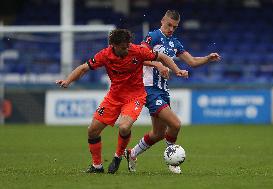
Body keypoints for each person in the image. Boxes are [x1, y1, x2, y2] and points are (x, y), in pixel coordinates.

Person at [55, 29, 188, 174]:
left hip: (135, 96)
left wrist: (176, 70)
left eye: (128, 45)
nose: (127, 49)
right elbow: (83, 68)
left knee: (124, 127)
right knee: (92, 130)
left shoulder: (136, 50)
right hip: (114, 97)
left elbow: (161, 56)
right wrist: (68, 81)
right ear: (114, 45)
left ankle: (118, 156)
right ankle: (97, 166)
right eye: (124, 47)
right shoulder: (104, 55)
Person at [124, 10, 221, 174]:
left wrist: (207, 58)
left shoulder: (175, 43)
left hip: (162, 90)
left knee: (158, 134)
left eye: (174, 27)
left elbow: (191, 61)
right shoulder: (153, 36)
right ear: (162, 20)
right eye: (169, 25)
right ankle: (172, 159)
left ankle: (132, 154)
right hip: (149, 89)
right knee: (175, 124)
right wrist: (158, 64)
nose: (171, 29)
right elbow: (138, 57)